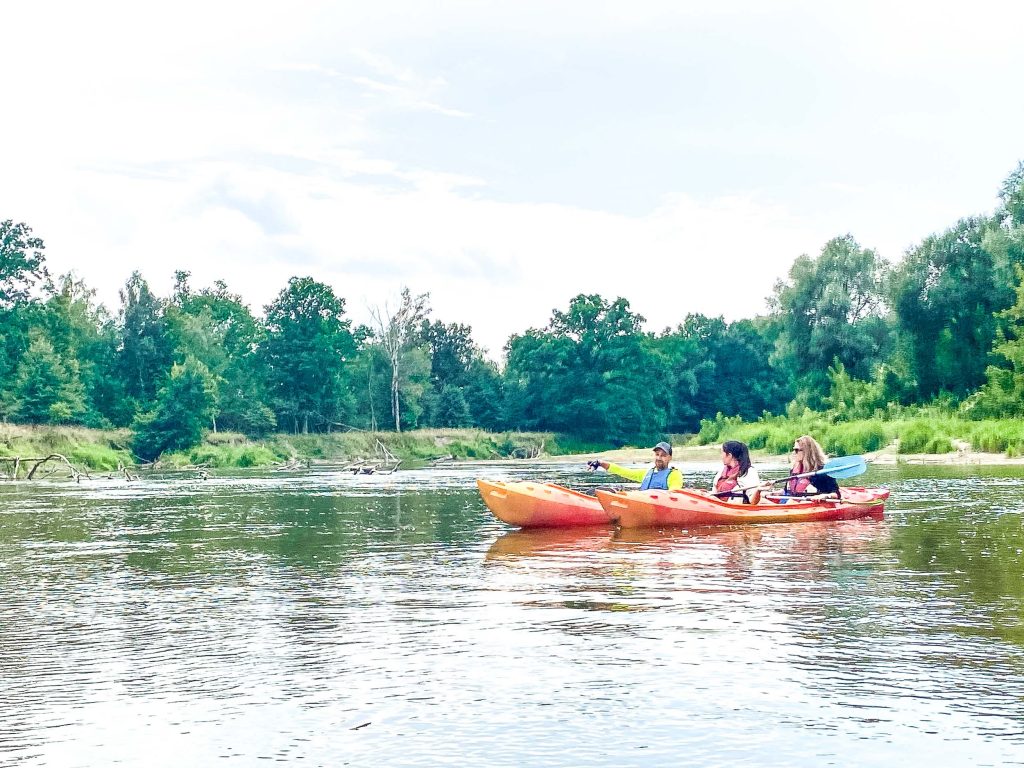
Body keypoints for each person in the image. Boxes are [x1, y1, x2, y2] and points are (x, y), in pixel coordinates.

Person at [588, 441, 683, 490]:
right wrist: (601, 463)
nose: (659, 458)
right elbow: (623, 471)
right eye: (657, 454)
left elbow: (674, 494)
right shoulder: (647, 473)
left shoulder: (674, 475)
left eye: (663, 455)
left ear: (670, 458)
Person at [710, 440, 761, 504]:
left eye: (722, 452)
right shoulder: (721, 472)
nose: (721, 456)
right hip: (719, 505)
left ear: (729, 455)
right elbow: (713, 493)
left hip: (738, 509)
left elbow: (753, 502)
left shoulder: (748, 472)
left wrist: (758, 490)